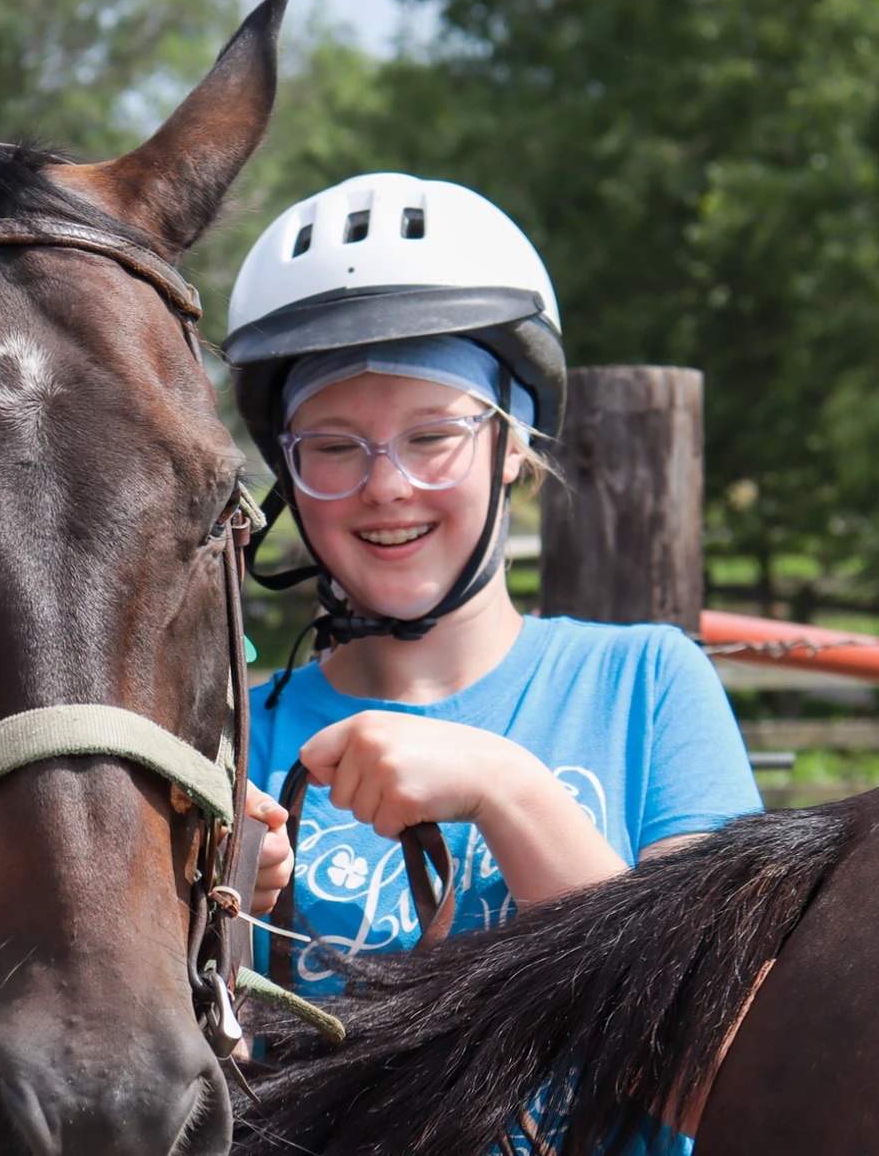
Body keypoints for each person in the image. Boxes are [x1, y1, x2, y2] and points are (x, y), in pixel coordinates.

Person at [222, 173, 763, 1154]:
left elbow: (722, 1082)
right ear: (289, 472)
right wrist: (201, 919)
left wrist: (510, 792)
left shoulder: (648, 687)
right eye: (333, 448)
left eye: (433, 436)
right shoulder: (233, 735)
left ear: (513, 441)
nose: (386, 487)